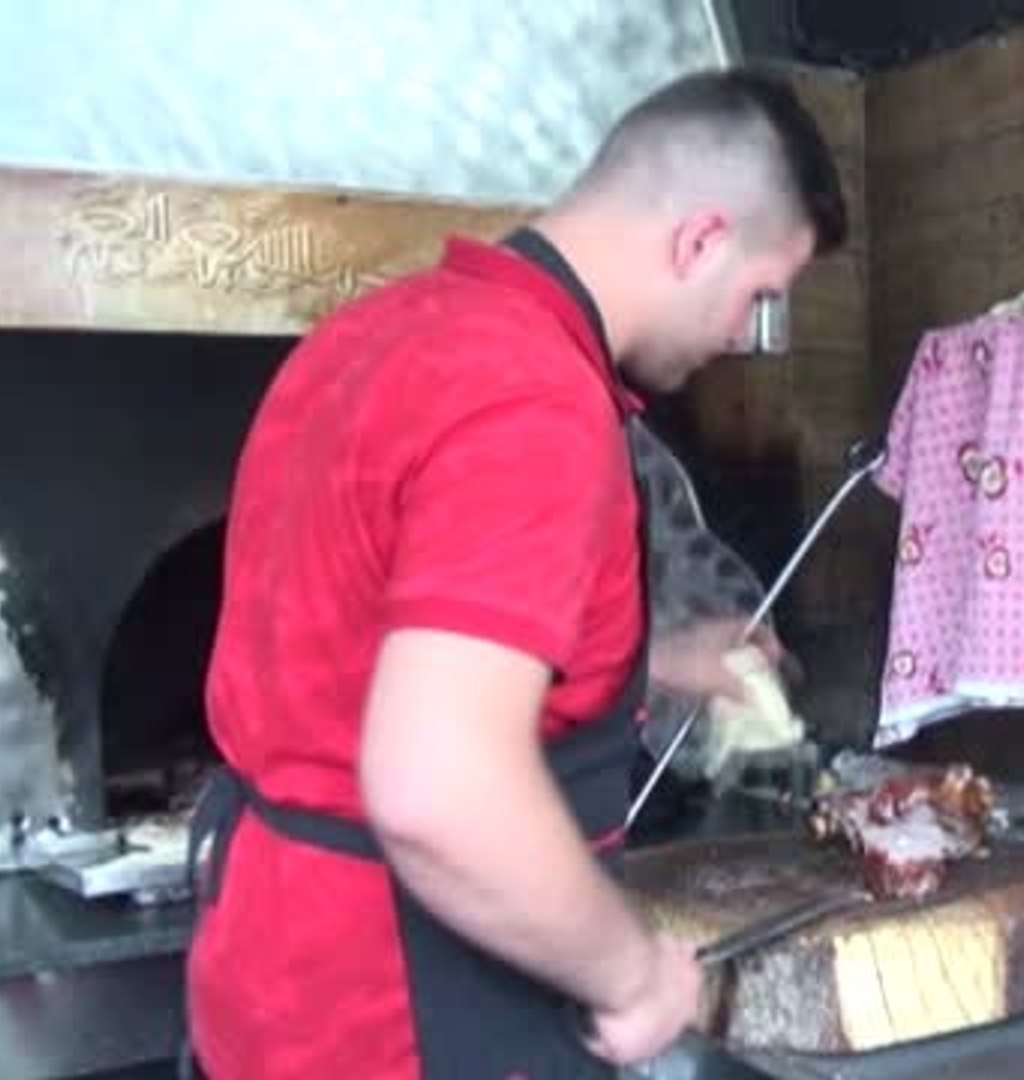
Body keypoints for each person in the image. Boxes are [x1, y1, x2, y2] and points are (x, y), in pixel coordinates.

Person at [183, 67, 848, 1079]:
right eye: (759, 297)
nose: (738, 336)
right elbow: (440, 789)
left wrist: (655, 661)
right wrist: (634, 975)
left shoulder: (368, 338)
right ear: (701, 241)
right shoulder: (533, 398)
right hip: (406, 1015)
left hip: (264, 976)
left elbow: (361, 643)